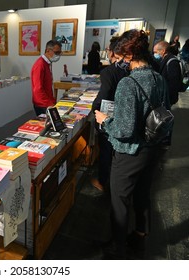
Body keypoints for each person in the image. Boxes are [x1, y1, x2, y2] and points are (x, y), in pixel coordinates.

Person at [94, 29, 170, 259]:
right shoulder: (159, 78)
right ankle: (139, 235)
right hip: (152, 149)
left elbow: (124, 130)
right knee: (143, 194)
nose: (119, 63)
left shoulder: (129, 83)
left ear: (128, 56)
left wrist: (105, 120)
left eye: (120, 58)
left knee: (119, 200)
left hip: (129, 154)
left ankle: (117, 247)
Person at [90, 37, 128, 192]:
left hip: (107, 115)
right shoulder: (129, 70)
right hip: (123, 113)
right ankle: (115, 180)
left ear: (112, 52)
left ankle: (102, 181)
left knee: (105, 149)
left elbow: (104, 94)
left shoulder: (109, 72)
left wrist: (95, 108)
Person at [30, 40, 62, 116]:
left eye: (59, 53)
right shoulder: (40, 65)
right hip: (42, 104)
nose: (58, 55)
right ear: (48, 50)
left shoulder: (47, 63)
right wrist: (49, 104)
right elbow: (38, 89)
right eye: (56, 52)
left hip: (47, 102)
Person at [153, 40, 182, 105]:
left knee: (164, 114)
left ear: (163, 51)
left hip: (168, 97)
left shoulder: (172, 62)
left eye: (155, 52)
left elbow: (173, 83)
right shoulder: (164, 59)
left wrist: (165, 97)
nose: (154, 54)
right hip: (164, 95)